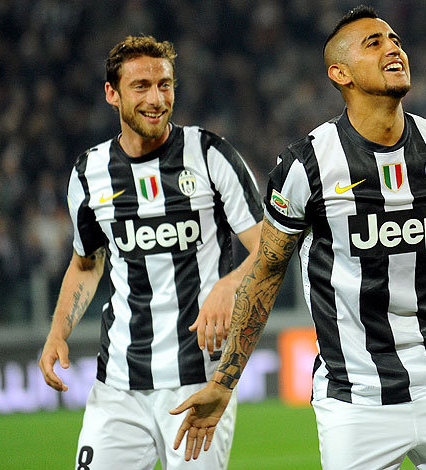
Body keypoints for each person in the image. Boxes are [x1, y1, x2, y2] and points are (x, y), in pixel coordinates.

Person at [170, 6, 426, 469]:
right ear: (340, 73)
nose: (393, 48)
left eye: (395, 39)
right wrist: (223, 382)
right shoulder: (307, 165)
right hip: (355, 402)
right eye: (374, 43)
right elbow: (266, 273)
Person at [38, 35, 263, 470]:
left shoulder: (211, 155)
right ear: (112, 93)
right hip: (118, 382)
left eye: (165, 85)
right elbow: (86, 263)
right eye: (141, 86)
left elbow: (269, 248)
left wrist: (230, 284)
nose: (156, 99)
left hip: (197, 379)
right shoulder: (89, 173)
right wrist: (57, 332)